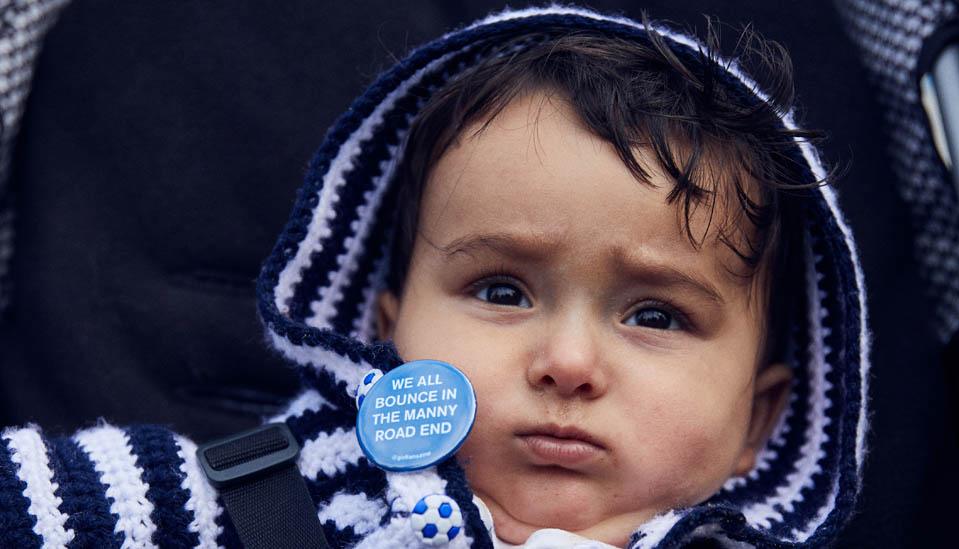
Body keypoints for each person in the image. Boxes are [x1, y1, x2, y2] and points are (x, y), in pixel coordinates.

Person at [0, 6, 869, 548]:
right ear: (386, 335)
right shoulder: (262, 496)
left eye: (654, 314)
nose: (566, 361)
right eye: (502, 291)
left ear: (760, 417)